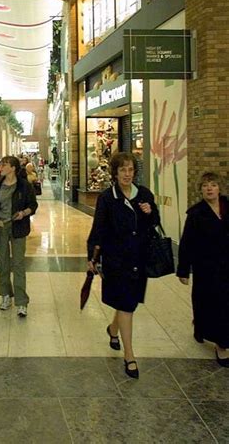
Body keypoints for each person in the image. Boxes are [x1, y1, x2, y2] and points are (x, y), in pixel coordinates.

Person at [87, 151, 160, 379]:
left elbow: (154, 223)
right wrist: (92, 257)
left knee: (127, 302)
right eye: (122, 170)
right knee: (127, 305)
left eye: (130, 170)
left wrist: (151, 213)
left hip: (139, 258)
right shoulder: (108, 198)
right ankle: (130, 356)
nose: (127, 174)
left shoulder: (144, 195)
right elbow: (99, 228)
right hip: (117, 260)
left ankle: (113, 329)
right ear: (115, 173)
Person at [177, 171, 229, 367]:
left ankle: (217, 338)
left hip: (227, 265)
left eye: (213, 185)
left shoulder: (227, 206)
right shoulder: (196, 213)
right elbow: (186, 243)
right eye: (206, 185)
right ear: (200, 189)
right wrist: (183, 270)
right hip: (206, 267)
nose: (209, 188)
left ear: (219, 188)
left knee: (224, 304)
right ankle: (220, 344)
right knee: (207, 301)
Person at [0, 155, 38, 318]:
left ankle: (21, 301)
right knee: (3, 263)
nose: (1, 166)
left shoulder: (24, 186)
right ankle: (5, 295)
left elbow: (33, 205)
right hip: (0, 226)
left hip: (18, 227)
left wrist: (23, 213)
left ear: (13, 168)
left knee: (18, 264)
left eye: (5, 164)